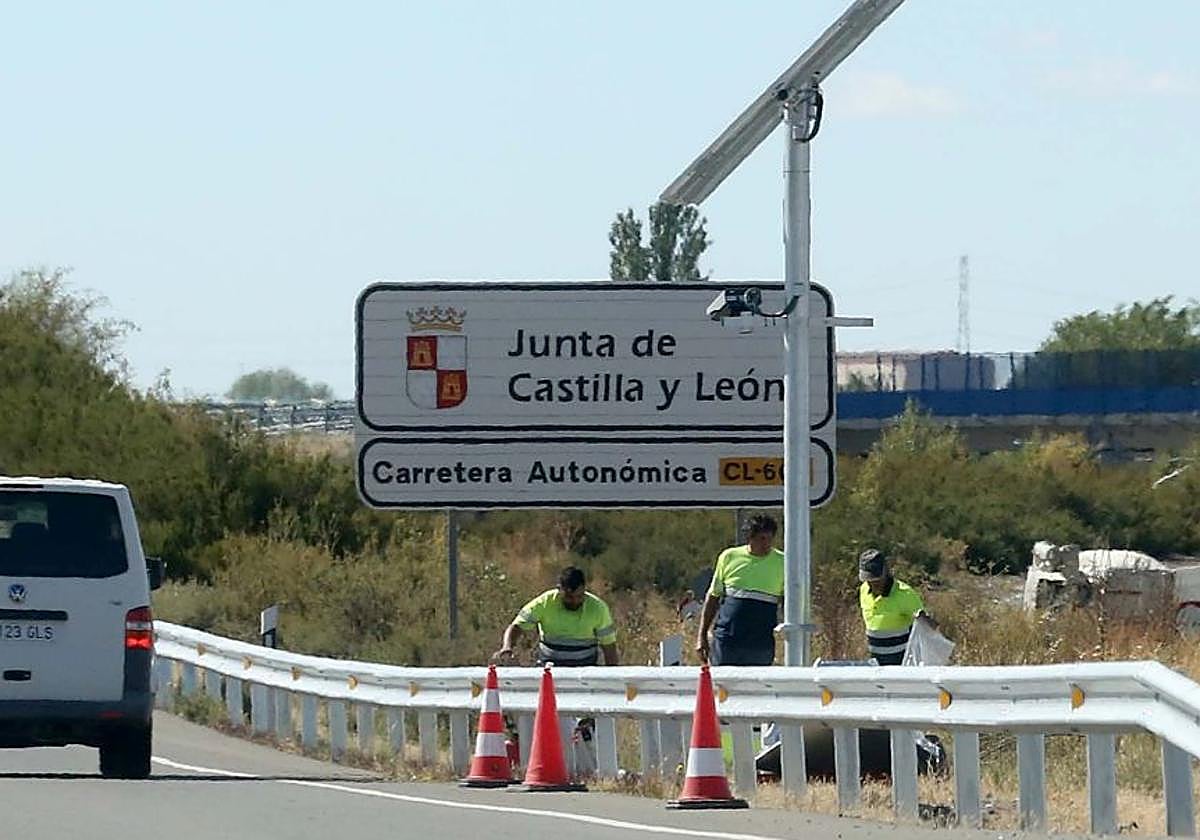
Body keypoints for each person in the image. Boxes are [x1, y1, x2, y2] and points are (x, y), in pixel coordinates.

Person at [695, 514, 784, 666]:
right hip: (727, 641)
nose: (766, 544)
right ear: (750, 537)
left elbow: (789, 602)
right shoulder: (729, 557)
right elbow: (713, 597)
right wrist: (701, 636)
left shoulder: (782, 562)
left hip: (760, 644)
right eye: (762, 539)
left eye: (770, 539)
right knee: (722, 687)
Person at [493, 565, 618, 667]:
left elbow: (609, 648)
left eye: (579, 596)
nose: (575, 601)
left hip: (585, 672)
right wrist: (507, 647)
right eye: (569, 597)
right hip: (549, 669)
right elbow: (517, 626)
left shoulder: (598, 608)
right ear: (559, 590)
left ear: (584, 590)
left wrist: (613, 680)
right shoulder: (545, 602)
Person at [857, 548, 935, 665]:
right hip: (875, 665)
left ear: (885, 571)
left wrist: (924, 619)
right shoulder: (863, 590)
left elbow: (931, 628)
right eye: (869, 579)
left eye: (877, 578)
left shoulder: (905, 594)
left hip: (901, 667)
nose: (873, 583)